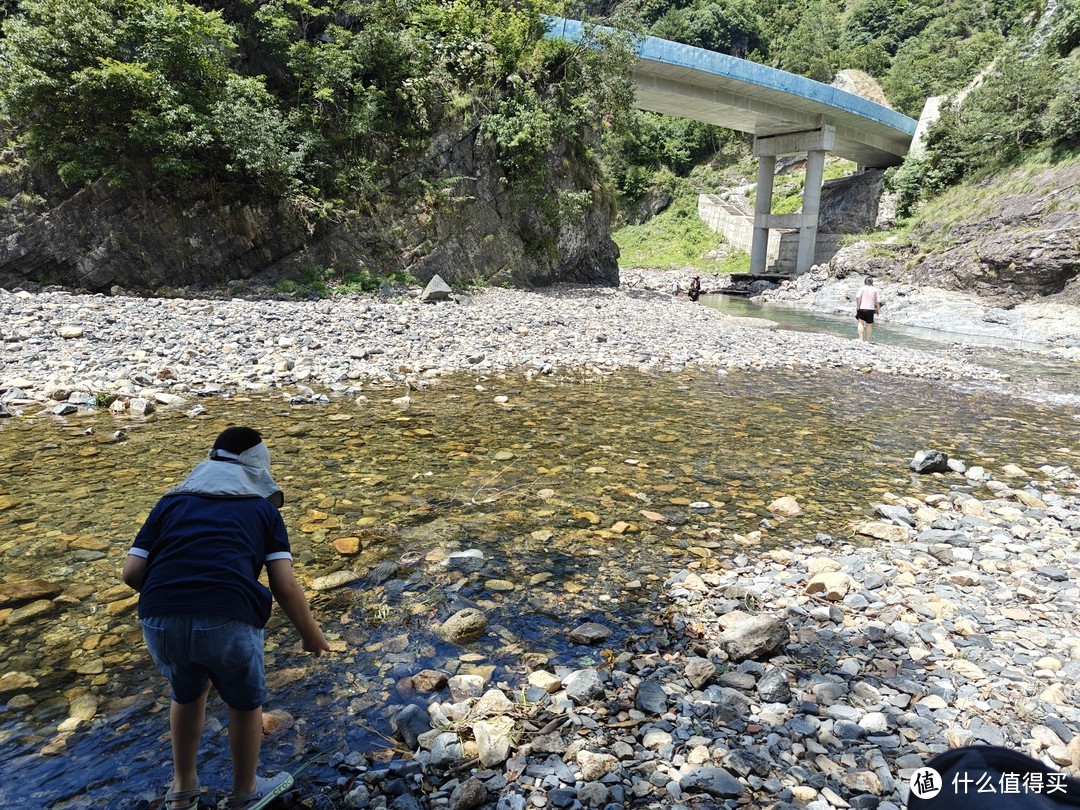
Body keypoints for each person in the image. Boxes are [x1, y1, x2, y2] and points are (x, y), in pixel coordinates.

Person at [122, 427, 330, 810]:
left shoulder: (169, 504)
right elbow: (283, 585)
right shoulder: (262, 510)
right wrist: (310, 634)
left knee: (186, 694)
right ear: (258, 472)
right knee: (245, 703)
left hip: (158, 617)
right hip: (227, 616)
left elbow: (131, 573)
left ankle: (182, 790)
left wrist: (174, 599)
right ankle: (245, 793)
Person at [854, 276, 881, 341]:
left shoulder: (862, 288)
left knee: (860, 323)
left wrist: (857, 306)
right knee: (869, 325)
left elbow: (858, 297)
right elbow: (877, 301)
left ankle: (861, 339)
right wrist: (878, 309)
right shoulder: (875, 289)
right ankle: (868, 340)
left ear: (865, 282)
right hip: (871, 309)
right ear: (872, 282)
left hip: (862, 308)